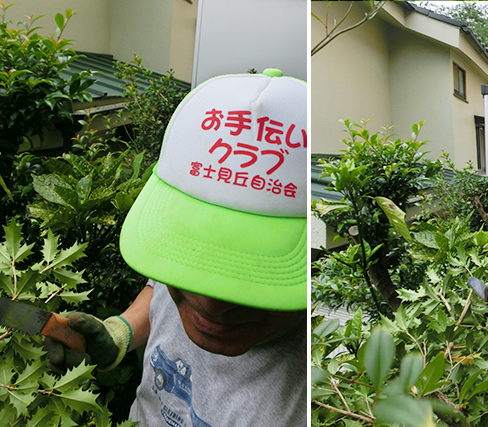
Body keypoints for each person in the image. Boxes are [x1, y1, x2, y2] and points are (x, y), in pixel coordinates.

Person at [45, 69, 307, 426]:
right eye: (192, 256)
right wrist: (119, 334)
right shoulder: (170, 280)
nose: (209, 303)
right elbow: (159, 291)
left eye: (253, 266)